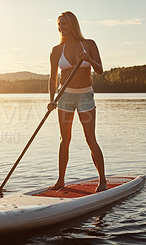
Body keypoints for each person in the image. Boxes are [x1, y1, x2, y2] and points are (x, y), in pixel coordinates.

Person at [47, 11, 107, 192]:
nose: (60, 28)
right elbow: (52, 79)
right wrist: (51, 100)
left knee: (90, 139)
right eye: (59, 24)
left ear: (72, 24)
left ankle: (102, 180)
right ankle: (60, 180)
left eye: (63, 24)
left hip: (85, 96)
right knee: (64, 139)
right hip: (64, 97)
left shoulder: (89, 44)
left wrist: (88, 59)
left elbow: (100, 70)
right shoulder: (57, 50)